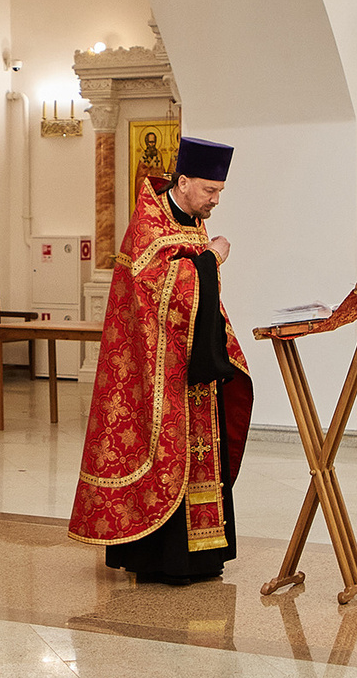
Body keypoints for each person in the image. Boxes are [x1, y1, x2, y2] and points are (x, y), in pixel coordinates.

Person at [69, 136, 253, 585]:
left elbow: (191, 290)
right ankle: (158, 559)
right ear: (184, 181)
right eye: (209, 191)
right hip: (156, 377)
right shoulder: (149, 225)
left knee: (201, 461)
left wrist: (205, 261)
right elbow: (162, 294)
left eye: (219, 193)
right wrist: (211, 259)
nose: (214, 201)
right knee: (162, 456)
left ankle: (202, 558)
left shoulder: (191, 220)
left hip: (193, 370)